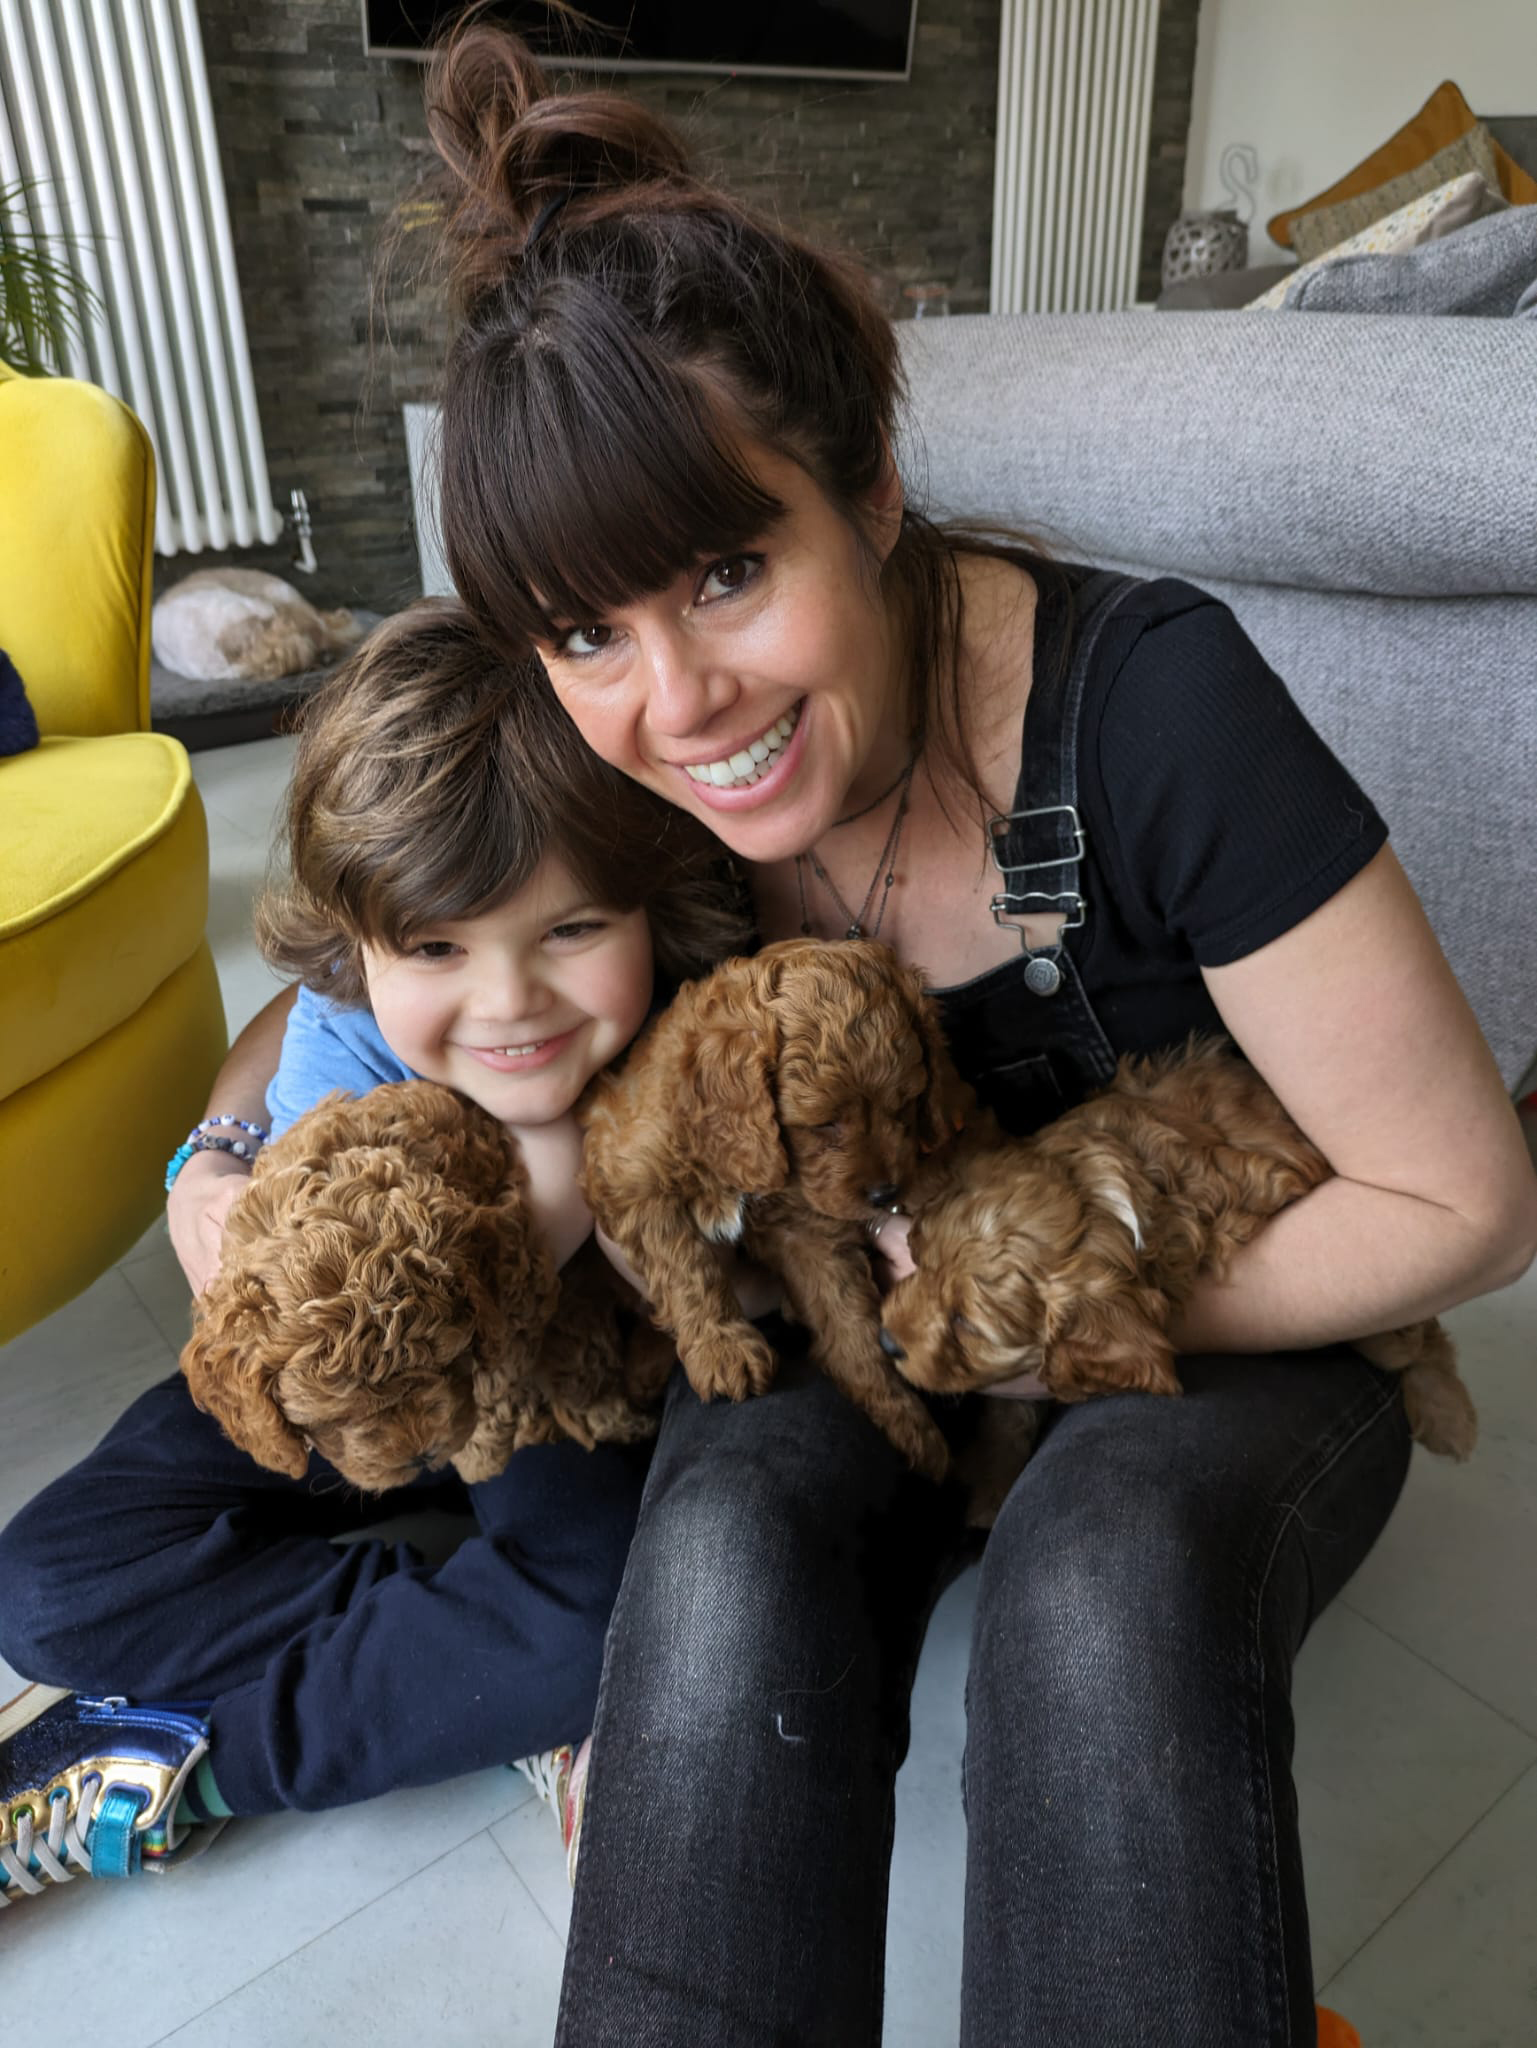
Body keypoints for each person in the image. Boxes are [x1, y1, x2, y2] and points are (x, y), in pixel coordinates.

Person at [34, 25, 1536, 2041]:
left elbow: (1460, 1197)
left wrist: (1022, 1306)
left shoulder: (1152, 703)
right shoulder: (618, 768)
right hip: (851, 1304)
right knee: (717, 1556)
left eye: (732, 571)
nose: (676, 705)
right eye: (586, 630)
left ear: (874, 492)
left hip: (1229, 1285)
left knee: (1102, 1598)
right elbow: (348, 972)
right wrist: (226, 1169)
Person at [0, 599, 747, 1901]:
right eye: (439, 949)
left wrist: (563, 1177)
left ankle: (195, 1761)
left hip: (561, 1400)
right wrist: (227, 1185)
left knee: (600, 1625)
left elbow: (617, 1216)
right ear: (358, 945)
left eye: (571, 930)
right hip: (367, 1381)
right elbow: (306, 1265)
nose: (509, 1004)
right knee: (44, 1586)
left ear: (649, 898)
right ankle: (441, 1648)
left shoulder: (686, 1019)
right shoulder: (346, 1024)